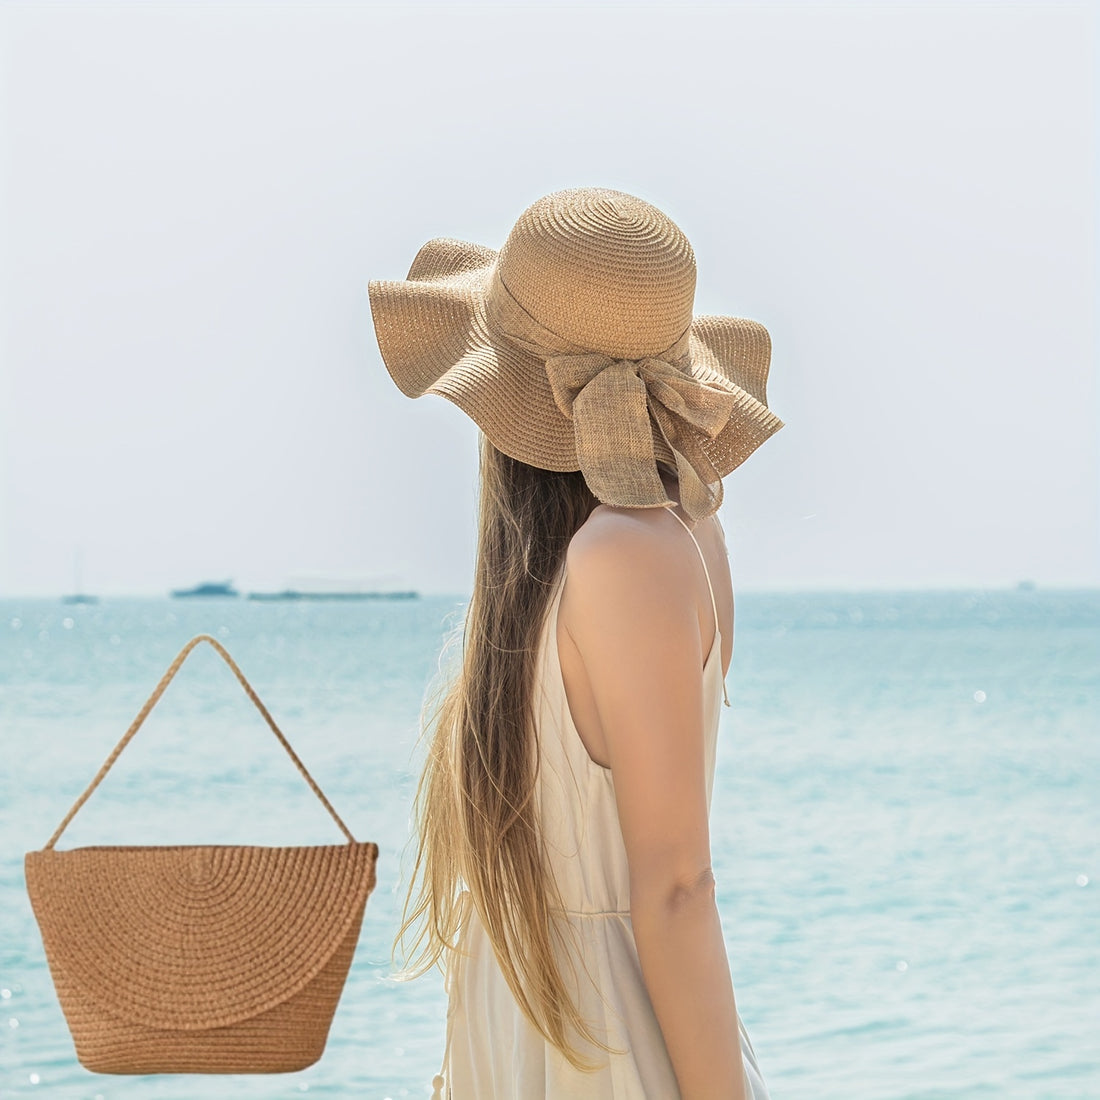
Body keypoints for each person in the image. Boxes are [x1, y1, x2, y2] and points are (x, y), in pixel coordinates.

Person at [368, 187, 785, 1099]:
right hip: (549, 1022)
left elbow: (677, 886)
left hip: (600, 1042)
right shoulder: (616, 550)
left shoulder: (625, 554)